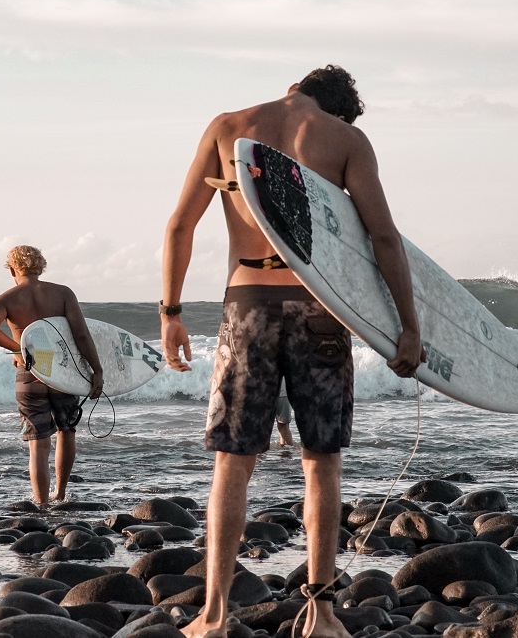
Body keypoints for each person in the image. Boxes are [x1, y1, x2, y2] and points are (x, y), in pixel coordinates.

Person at [161, 65, 424, 638]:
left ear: (293, 88)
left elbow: (180, 225)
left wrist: (171, 313)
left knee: (232, 462)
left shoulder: (228, 127)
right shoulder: (346, 140)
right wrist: (409, 327)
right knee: (321, 460)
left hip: (246, 304)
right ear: (336, 109)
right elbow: (383, 238)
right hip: (321, 309)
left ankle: (213, 614)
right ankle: (322, 614)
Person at [0, 245, 104, 509]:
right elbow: (82, 334)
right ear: (40, 266)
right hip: (62, 371)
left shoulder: (6, 299)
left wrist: (17, 349)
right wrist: (97, 370)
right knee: (66, 431)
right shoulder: (62, 293)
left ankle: (41, 503)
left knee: (38, 442)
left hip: (30, 372)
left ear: (12, 269)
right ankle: (60, 493)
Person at [275, 380, 295, 448]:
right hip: (264, 392)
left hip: (283, 393)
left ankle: (288, 451)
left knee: (283, 424)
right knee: (262, 425)